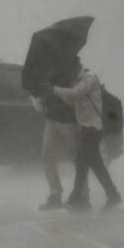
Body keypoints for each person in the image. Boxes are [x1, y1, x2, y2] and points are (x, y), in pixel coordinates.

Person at [44, 57, 122, 211]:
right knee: (95, 165)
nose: (69, 75)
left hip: (93, 128)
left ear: (75, 67)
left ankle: (75, 197)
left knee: (82, 164)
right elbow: (73, 100)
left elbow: (75, 94)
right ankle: (113, 195)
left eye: (70, 70)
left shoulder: (89, 78)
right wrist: (57, 94)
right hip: (86, 128)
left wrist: (53, 89)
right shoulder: (79, 80)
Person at [32, 71, 88, 210]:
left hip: (67, 119)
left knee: (75, 157)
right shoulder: (46, 71)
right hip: (52, 118)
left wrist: (53, 89)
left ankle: (83, 195)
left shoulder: (67, 70)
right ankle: (55, 194)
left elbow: (72, 97)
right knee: (47, 155)